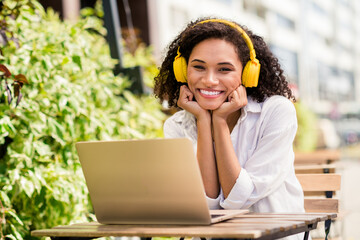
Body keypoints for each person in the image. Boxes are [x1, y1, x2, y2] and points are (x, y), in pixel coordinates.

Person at [154, 17, 306, 239]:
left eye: (224, 69)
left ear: (246, 74)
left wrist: (220, 122)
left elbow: (238, 200)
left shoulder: (276, 112)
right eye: (198, 67)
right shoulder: (177, 126)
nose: (209, 80)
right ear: (182, 71)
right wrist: (205, 121)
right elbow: (207, 206)